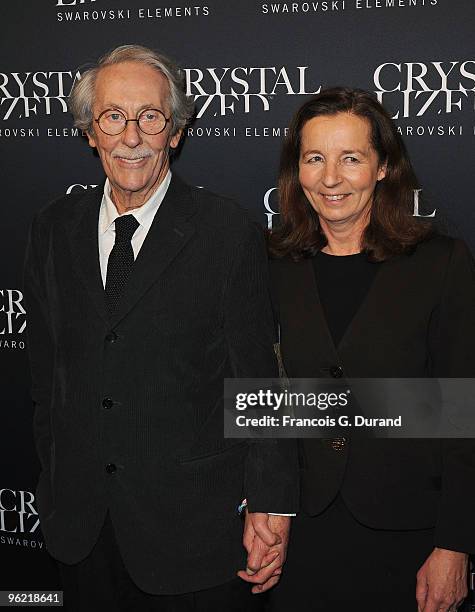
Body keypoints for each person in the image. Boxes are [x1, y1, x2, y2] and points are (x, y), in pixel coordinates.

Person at [24, 44, 298, 611]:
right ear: (89, 131)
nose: (132, 135)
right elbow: (46, 377)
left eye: (150, 117)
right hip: (80, 531)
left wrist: (269, 503)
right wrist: (54, 486)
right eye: (113, 117)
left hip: (191, 534)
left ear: (174, 132)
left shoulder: (226, 230)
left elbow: (258, 382)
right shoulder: (53, 227)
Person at [267, 87, 475, 611]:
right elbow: (256, 399)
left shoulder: (440, 264)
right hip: (299, 530)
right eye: (314, 158)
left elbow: (463, 413)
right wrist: (264, 507)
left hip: (409, 533)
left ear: (383, 167)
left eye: (351, 158)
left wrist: (455, 545)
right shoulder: (271, 266)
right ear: (298, 170)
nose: (330, 177)